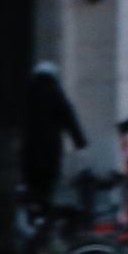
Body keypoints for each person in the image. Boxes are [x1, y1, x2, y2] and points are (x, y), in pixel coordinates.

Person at [22, 61, 87, 212]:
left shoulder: (25, 93)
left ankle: (31, 211)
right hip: (49, 149)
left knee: (31, 182)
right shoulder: (55, 93)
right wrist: (79, 140)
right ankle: (43, 214)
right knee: (46, 184)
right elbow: (68, 118)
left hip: (28, 149)